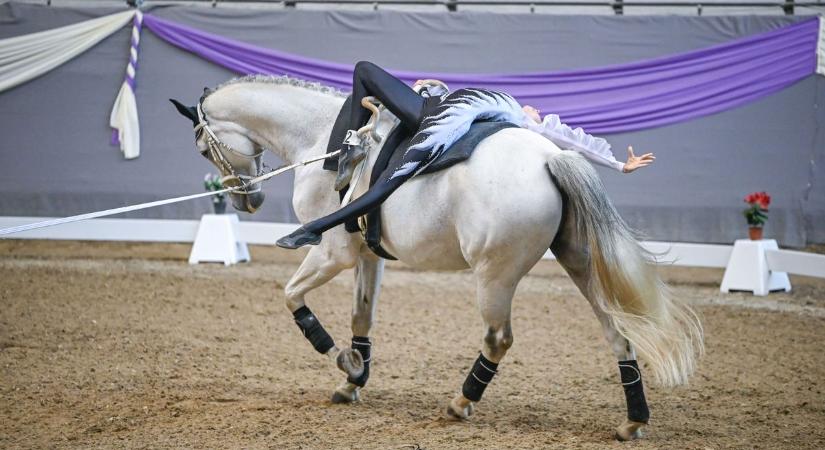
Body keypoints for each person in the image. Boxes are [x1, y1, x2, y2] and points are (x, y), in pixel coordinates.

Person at [277, 62, 654, 249]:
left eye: (539, 114)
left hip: (439, 119)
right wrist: (434, 87)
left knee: (389, 179)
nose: (537, 110)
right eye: (536, 111)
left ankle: (317, 218)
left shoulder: (523, 120)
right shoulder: (502, 109)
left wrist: (618, 164)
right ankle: (339, 166)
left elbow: (572, 139)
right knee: (366, 78)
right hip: (439, 106)